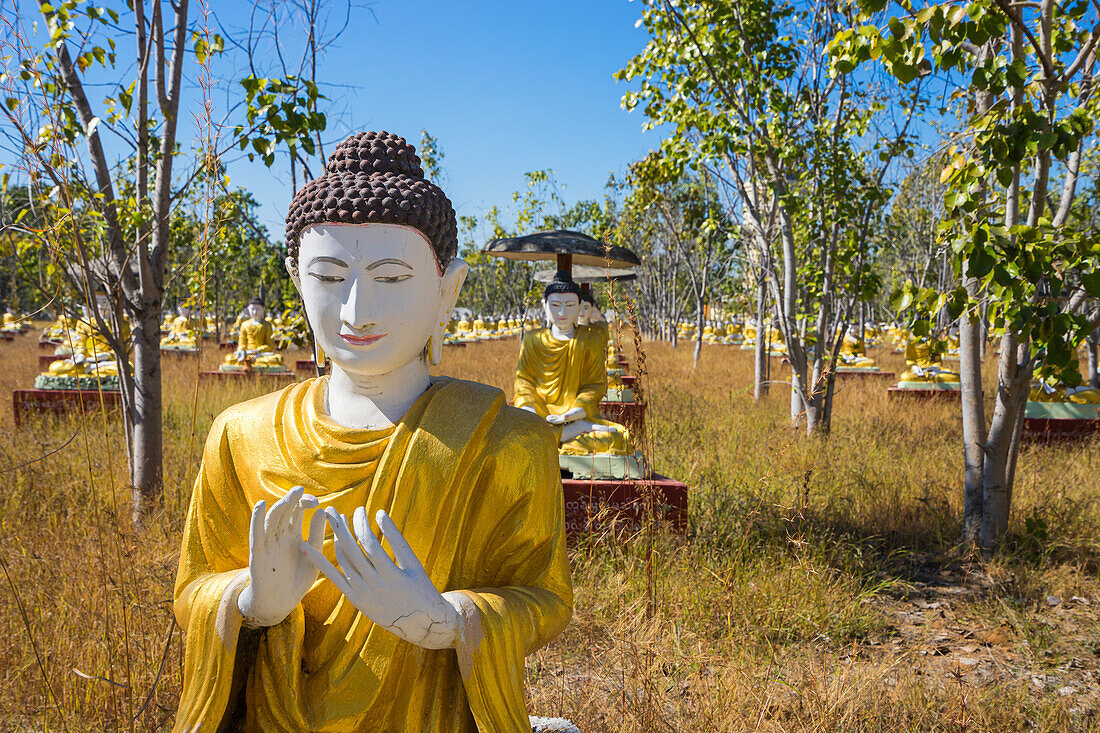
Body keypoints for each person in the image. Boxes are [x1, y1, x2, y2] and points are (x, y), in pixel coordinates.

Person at [174, 131, 571, 732]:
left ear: (448, 289)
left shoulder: (505, 442)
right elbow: (193, 590)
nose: (357, 310)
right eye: (329, 277)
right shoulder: (240, 434)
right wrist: (254, 605)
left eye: (390, 278)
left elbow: (544, 599)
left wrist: (446, 621)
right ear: (296, 280)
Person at [514, 271, 632, 455]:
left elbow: (595, 385)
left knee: (619, 438)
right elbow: (523, 382)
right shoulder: (532, 339)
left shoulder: (590, 339)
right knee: (514, 435)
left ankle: (554, 436)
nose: (562, 312)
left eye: (569, 305)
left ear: (579, 306)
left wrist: (571, 414)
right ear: (544, 305)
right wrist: (529, 410)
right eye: (555, 305)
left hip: (577, 418)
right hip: (539, 416)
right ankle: (562, 435)